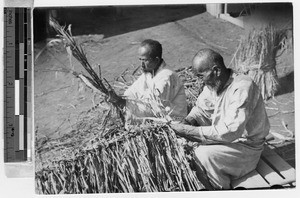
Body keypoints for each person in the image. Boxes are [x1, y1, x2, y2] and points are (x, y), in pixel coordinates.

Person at [170, 48, 270, 189]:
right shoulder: (214, 85)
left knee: (203, 156)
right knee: (184, 149)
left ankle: (219, 190)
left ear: (216, 70)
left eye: (201, 76)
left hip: (246, 148)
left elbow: (230, 132)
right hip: (228, 143)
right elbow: (201, 110)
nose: (200, 82)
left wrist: (188, 131)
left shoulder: (242, 87)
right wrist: (188, 121)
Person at [109, 39, 188, 123]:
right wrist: (120, 99)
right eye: (140, 60)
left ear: (156, 60)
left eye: (145, 60)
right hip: (157, 116)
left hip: (172, 120)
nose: (141, 64)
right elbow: (133, 91)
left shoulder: (167, 77)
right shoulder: (150, 71)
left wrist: (125, 103)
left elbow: (155, 108)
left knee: (132, 119)